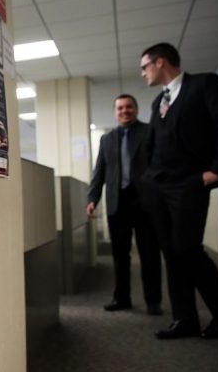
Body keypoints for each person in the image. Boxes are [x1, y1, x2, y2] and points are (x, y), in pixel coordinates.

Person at [139, 42, 218, 339]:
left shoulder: (205, 84)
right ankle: (185, 319)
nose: (142, 73)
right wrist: (148, 179)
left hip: (190, 182)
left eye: (144, 67)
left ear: (160, 62)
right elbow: (154, 143)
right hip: (160, 187)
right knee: (171, 252)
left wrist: (217, 169)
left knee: (187, 249)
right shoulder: (158, 102)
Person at [87, 94, 162, 315]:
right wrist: (92, 198)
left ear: (136, 109)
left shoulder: (150, 132)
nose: (124, 111)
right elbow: (99, 171)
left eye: (129, 107)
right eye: (120, 108)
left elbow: (159, 165)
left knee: (149, 254)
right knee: (120, 256)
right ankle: (122, 298)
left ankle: (153, 301)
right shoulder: (107, 139)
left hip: (145, 203)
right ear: (115, 112)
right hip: (117, 203)